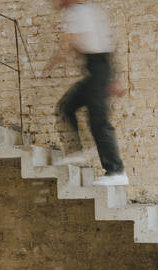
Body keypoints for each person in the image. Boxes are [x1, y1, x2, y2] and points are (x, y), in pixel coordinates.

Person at [43, 0, 129, 186]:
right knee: (67, 106)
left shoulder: (78, 12)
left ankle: (116, 171)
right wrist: (114, 77)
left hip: (98, 70)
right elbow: (108, 45)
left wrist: (51, 65)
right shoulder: (86, 10)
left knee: (99, 121)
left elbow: (71, 43)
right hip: (97, 72)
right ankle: (76, 152)